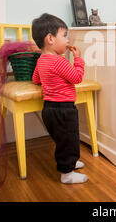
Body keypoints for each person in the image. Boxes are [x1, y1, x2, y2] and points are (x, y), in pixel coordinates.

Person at [32, 13, 88, 184]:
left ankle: (69, 162)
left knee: (63, 140)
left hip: (49, 109)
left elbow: (36, 79)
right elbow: (77, 77)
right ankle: (66, 173)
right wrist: (78, 59)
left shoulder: (41, 60)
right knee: (69, 140)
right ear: (50, 38)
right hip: (64, 109)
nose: (67, 40)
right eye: (64, 36)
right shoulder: (59, 61)